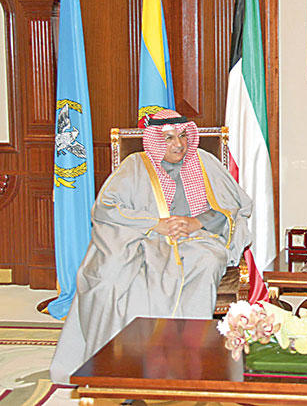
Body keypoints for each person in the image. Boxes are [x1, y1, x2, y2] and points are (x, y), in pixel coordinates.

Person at [49, 109, 252, 385]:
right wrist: (155, 224)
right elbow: (105, 208)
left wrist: (196, 222)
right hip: (146, 239)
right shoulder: (135, 165)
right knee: (112, 279)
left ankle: (191, 359)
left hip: (197, 240)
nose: (179, 144)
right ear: (155, 140)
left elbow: (234, 207)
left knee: (209, 259)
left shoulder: (205, 162)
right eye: (169, 138)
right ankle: (128, 365)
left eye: (183, 136)